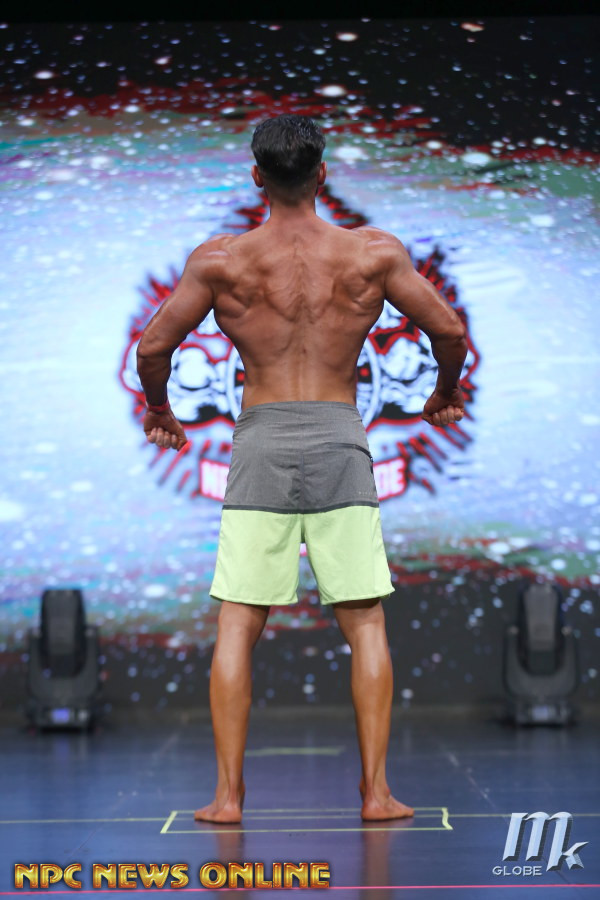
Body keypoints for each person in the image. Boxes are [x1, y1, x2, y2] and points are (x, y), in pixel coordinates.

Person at [136, 114, 468, 825]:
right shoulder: (372, 254)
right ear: (322, 173)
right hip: (339, 437)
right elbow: (448, 330)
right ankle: (375, 795)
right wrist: (443, 394)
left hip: (260, 439)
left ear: (257, 176)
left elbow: (153, 347)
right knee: (365, 621)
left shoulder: (221, 262)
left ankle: (228, 800)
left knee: (237, 622)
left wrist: (160, 409)